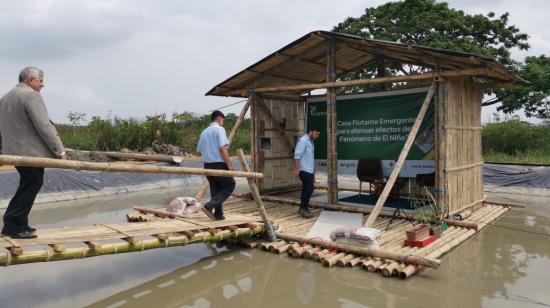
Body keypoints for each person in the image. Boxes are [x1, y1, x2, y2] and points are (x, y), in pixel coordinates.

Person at [0, 67, 66, 239]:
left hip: (13, 152)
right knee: (31, 183)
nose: (43, 85)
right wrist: (59, 150)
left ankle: (19, 222)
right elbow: (44, 125)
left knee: (28, 183)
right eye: (41, 80)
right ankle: (13, 224)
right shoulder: (31, 95)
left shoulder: (6, 97)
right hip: (30, 153)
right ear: (30, 80)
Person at [196, 110, 236, 221]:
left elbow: (198, 151)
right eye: (223, 120)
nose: (223, 122)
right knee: (230, 185)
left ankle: (218, 215)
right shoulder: (219, 129)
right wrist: (230, 165)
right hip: (219, 165)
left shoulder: (204, 132)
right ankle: (209, 206)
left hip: (207, 165)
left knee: (216, 190)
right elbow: (223, 149)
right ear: (219, 119)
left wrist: (209, 151)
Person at [294, 127, 321, 219]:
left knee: (307, 188)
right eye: (316, 134)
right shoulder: (303, 141)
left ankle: (303, 208)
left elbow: (311, 159)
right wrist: (297, 169)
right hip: (303, 169)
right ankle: (303, 208)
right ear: (311, 131)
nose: (317, 136)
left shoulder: (311, 142)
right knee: (309, 188)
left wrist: (313, 175)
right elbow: (297, 156)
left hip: (309, 170)